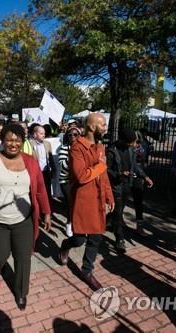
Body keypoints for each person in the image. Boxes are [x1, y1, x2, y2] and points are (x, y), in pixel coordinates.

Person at [0, 123, 51, 310]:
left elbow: (40, 189)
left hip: (24, 220)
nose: (13, 144)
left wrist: (47, 212)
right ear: (2, 140)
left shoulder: (31, 162)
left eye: (17, 140)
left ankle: (21, 292)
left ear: (22, 142)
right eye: (9, 139)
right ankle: (3, 267)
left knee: (23, 258)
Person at [58, 113, 115, 291]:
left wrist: (109, 196)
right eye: (103, 125)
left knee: (96, 238)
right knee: (79, 240)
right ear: (91, 127)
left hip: (97, 201)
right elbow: (82, 176)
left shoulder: (100, 147)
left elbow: (103, 176)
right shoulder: (77, 147)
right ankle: (65, 245)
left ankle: (86, 271)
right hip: (83, 201)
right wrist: (101, 165)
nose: (105, 128)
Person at [107, 128, 154, 253]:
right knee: (118, 212)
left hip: (127, 184)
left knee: (119, 210)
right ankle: (119, 238)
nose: (135, 145)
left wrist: (145, 176)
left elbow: (135, 167)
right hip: (116, 185)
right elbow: (106, 170)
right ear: (124, 141)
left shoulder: (131, 150)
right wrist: (119, 174)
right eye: (132, 142)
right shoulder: (112, 150)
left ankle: (107, 221)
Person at [58, 127, 81, 237]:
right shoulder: (64, 148)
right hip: (66, 181)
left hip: (78, 180)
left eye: (75, 134)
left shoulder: (82, 148)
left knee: (78, 204)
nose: (72, 137)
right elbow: (62, 166)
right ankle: (69, 223)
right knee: (70, 204)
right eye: (70, 135)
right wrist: (71, 155)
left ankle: (78, 224)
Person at [30, 125, 55, 202]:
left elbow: (50, 158)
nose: (43, 135)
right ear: (35, 134)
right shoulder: (30, 144)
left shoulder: (47, 143)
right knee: (37, 191)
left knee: (47, 190)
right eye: (41, 133)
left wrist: (53, 169)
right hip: (36, 173)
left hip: (46, 172)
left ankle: (48, 209)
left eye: (44, 133)